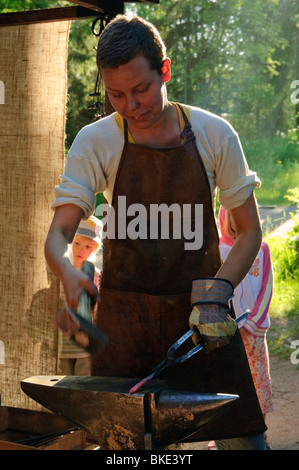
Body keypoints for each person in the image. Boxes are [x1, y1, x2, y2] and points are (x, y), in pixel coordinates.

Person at [45, 15, 266, 449]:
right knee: (131, 451)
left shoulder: (214, 134)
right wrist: (68, 273)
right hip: (125, 333)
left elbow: (250, 232)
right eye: (116, 95)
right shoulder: (95, 142)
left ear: (165, 70)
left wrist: (219, 290)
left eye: (141, 89)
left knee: (246, 444)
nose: (130, 105)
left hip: (201, 326)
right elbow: (58, 235)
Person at [218, 205, 274, 448]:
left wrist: (253, 322)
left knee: (257, 384)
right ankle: (222, 435)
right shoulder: (216, 249)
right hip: (226, 333)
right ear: (223, 217)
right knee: (225, 384)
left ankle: (258, 430)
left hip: (253, 332)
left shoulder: (261, 249)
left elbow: (267, 286)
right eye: (231, 216)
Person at [58, 216, 102, 376]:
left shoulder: (95, 276)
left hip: (86, 340)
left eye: (88, 246)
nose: (81, 250)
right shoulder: (64, 270)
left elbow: (97, 306)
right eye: (77, 243)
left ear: (95, 249)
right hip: (65, 341)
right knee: (63, 378)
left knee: (82, 379)